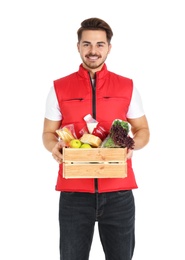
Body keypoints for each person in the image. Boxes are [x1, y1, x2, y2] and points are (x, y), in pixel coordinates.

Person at [42, 17, 150, 260]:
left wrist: (131, 146)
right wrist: (54, 148)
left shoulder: (127, 87)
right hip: (73, 195)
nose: (93, 51)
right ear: (78, 46)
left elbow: (143, 130)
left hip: (119, 194)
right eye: (87, 44)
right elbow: (48, 134)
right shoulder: (59, 88)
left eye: (100, 45)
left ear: (109, 48)